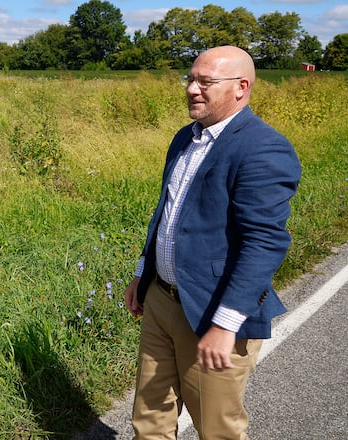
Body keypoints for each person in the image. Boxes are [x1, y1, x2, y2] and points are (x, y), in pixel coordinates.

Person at [122, 45, 301, 439]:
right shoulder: (185, 138)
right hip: (161, 302)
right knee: (148, 422)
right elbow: (166, 213)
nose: (192, 89)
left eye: (205, 81)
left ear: (241, 87)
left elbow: (265, 242)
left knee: (217, 430)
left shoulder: (262, 148)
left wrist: (224, 325)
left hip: (212, 313)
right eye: (191, 78)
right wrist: (143, 274)